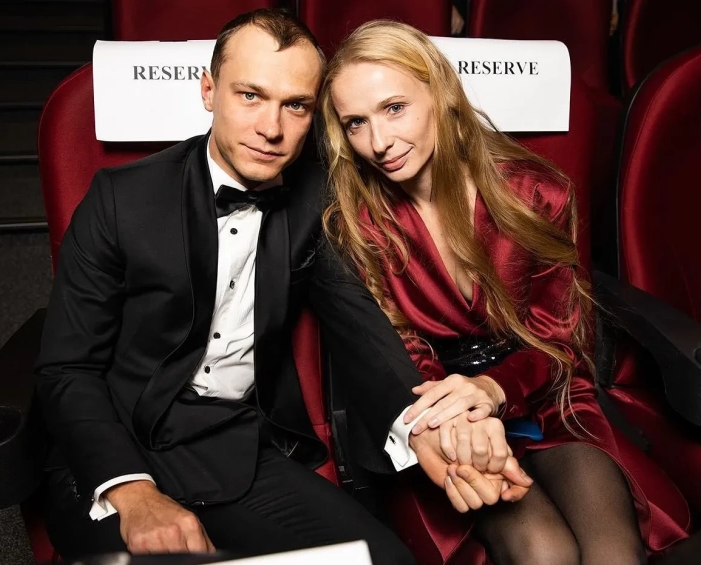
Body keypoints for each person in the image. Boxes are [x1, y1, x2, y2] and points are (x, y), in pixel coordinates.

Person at [35, 9, 531, 563]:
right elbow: (66, 369)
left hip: (235, 448)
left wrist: (426, 432)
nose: (270, 129)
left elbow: (361, 327)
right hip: (112, 449)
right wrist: (132, 492)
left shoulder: (316, 199)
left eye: (295, 105)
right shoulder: (120, 198)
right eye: (250, 96)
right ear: (208, 91)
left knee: (383, 560)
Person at [318, 20, 690, 565]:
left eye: (394, 108)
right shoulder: (359, 224)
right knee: (545, 552)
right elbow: (400, 353)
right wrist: (463, 416)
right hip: (441, 411)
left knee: (613, 553)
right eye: (356, 123)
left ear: (440, 93)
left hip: (544, 391)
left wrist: (495, 388)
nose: (378, 142)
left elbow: (562, 340)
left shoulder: (535, 193)